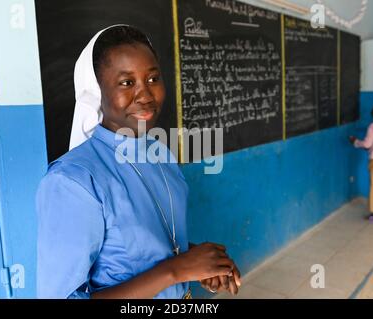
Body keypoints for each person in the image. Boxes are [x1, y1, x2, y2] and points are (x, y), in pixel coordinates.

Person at [36, 25, 241, 299]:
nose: (145, 95)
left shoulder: (161, 155)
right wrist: (176, 271)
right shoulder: (73, 181)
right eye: (126, 82)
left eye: (153, 78)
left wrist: (198, 261)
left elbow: (142, 246)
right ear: (98, 92)